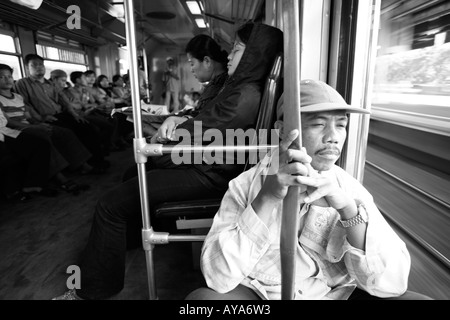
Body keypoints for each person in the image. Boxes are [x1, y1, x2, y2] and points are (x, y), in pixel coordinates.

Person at [52, 22, 283, 300]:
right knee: (130, 181)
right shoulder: (239, 89)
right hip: (207, 164)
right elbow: (203, 125)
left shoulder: (244, 95)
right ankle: (116, 247)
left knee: (109, 205)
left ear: (253, 54)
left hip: (208, 172)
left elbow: (195, 134)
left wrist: (160, 132)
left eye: (236, 50)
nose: (230, 56)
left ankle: (91, 292)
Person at [186, 80, 433, 300]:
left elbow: (393, 285)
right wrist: (268, 197)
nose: (333, 137)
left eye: (341, 125)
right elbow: (217, 278)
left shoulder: (349, 189)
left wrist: (348, 211)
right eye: (318, 125)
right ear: (283, 130)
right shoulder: (245, 185)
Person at [0, 63, 89, 193]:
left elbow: (28, 116)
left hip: (28, 124)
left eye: (9, 76)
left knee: (63, 132)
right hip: (16, 129)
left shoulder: (18, 97)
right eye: (2, 77)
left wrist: (38, 123)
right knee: (43, 136)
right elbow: (8, 123)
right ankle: (61, 178)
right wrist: (35, 127)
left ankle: (82, 164)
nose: (7, 80)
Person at [13, 55, 109, 173]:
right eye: (34, 65)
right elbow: (25, 103)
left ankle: (97, 160)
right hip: (46, 117)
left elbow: (63, 100)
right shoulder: (22, 83)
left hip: (61, 114)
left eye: (41, 65)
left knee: (87, 127)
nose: (39, 68)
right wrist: (40, 118)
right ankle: (82, 166)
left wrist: (74, 114)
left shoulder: (51, 83)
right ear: (27, 68)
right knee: (68, 132)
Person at [131, 34, 229, 139]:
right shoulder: (216, 84)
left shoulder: (222, 87)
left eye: (192, 64)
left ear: (207, 61)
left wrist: (178, 120)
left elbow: (207, 124)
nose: (191, 69)